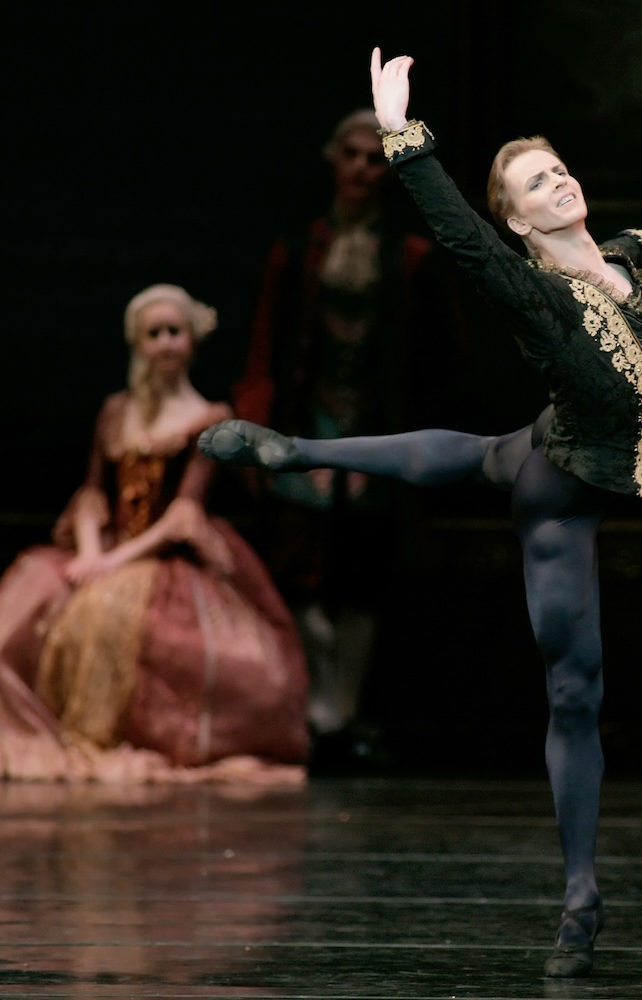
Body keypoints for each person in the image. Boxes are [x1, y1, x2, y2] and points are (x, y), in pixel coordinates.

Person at [199, 49, 642, 977]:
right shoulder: (533, 291)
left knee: (483, 453)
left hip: (552, 437)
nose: (555, 183)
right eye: (532, 184)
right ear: (516, 219)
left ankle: (296, 447)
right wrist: (404, 138)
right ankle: (579, 896)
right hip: (565, 496)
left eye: (558, 169)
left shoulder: (621, 258)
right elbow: (464, 239)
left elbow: (617, 259)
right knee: (575, 694)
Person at [0, 284, 309, 785]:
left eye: (174, 332)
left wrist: (116, 563)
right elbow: (93, 494)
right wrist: (94, 551)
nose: (165, 342)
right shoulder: (116, 412)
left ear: (191, 340)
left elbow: (184, 513)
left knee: (121, 617)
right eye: (154, 333)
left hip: (165, 554)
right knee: (17, 617)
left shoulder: (210, 419)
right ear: (138, 342)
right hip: (110, 545)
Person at [233, 108, 470, 768]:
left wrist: (399, 448)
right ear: (333, 160)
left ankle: (349, 714)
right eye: (353, 156)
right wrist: (262, 431)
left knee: (363, 577)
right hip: (305, 432)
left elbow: (440, 361)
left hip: (377, 434)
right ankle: (321, 710)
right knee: (301, 574)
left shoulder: (412, 258)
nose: (363, 168)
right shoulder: (298, 248)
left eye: (375, 158)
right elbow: (264, 346)